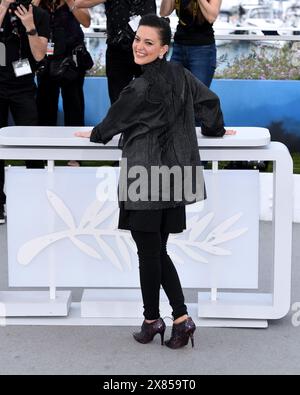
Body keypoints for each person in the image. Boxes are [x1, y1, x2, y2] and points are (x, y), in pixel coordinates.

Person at [75, 15, 235, 349]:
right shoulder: (183, 75)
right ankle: (153, 320)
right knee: (155, 250)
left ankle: (177, 318)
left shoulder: (139, 87)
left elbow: (109, 126)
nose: (139, 46)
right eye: (137, 39)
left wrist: (92, 134)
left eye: (149, 42)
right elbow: (211, 104)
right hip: (175, 175)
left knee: (150, 253)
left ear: (163, 49)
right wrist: (216, 130)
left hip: (145, 177)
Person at [0, 0, 49, 224]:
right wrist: (2, 9)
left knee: (32, 145)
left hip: (23, 86)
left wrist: (29, 25)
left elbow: (39, 56)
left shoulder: (38, 14)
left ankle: (36, 198)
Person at [32, 0, 91, 167]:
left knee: (74, 107)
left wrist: (71, 2)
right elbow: (27, 18)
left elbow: (86, 22)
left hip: (72, 60)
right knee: (45, 107)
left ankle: (74, 155)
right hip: (46, 59)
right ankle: (44, 153)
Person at [75, 0, 156, 104]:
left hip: (147, 49)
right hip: (117, 49)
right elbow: (80, 2)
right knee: (118, 102)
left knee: (150, 100)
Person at [160, 0, 222, 87]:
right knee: (173, 90)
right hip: (179, 47)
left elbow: (211, 17)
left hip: (202, 50)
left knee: (199, 95)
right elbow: (164, 12)